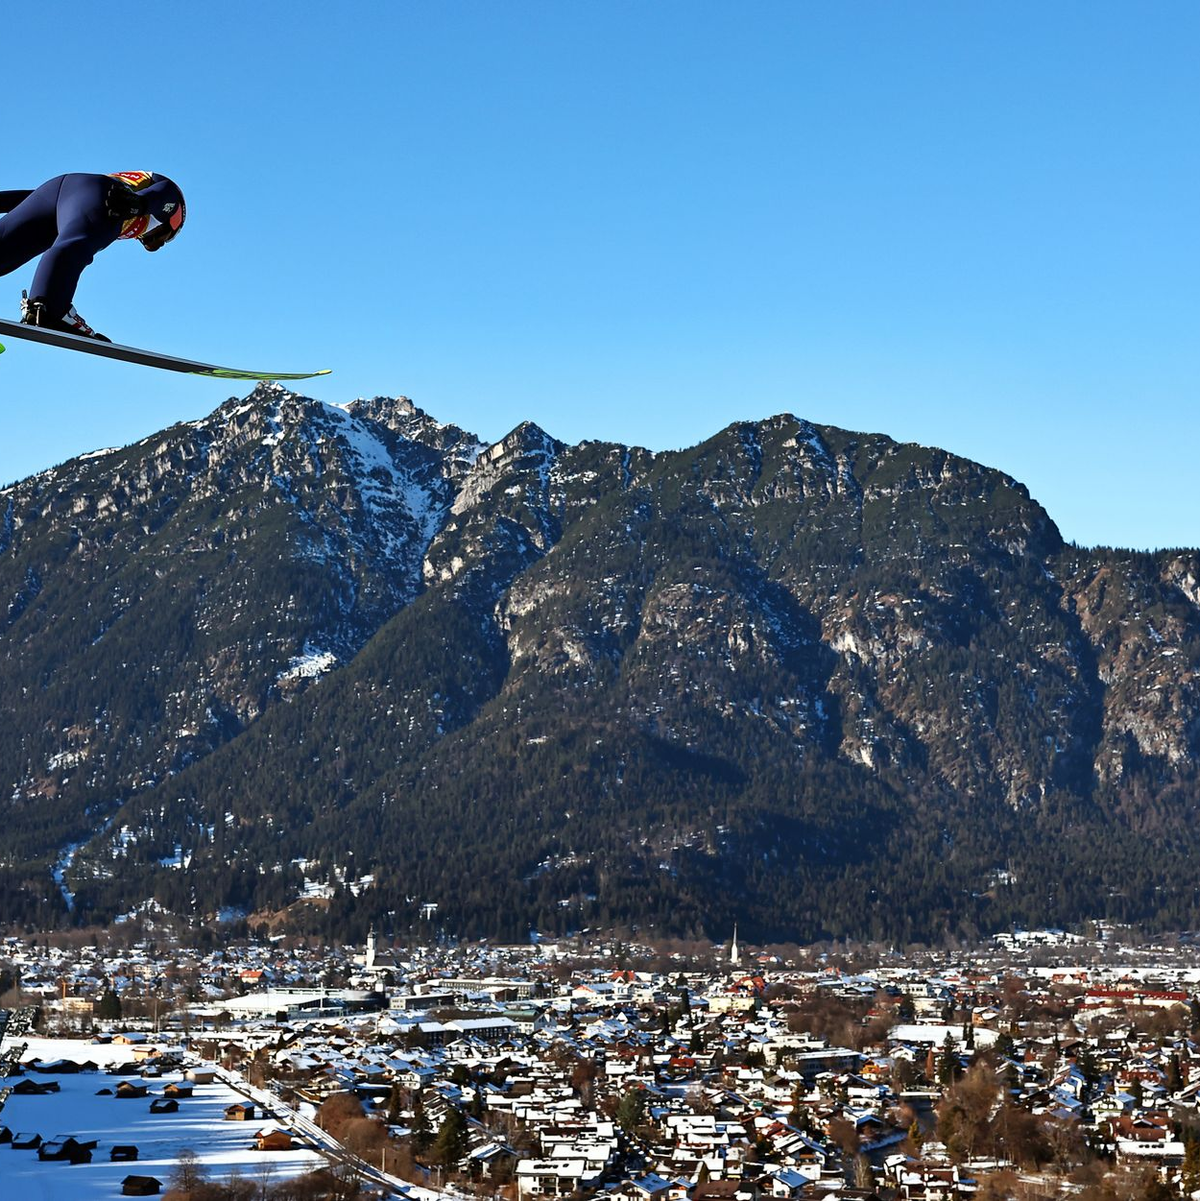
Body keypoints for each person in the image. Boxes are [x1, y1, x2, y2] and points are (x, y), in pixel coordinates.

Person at [0, 171, 186, 342]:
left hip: (56, 191)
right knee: (75, 245)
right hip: (104, 196)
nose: (158, 243)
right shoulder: (162, 207)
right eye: (169, 237)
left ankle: (45, 306)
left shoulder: (130, 189)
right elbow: (167, 193)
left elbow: (38, 199)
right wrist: (139, 204)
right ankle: (49, 308)